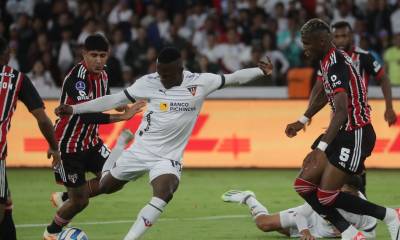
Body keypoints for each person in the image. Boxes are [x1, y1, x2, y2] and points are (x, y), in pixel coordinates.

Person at [55, 46, 273, 240]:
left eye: (167, 75)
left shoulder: (200, 82)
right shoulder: (148, 83)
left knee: (165, 191)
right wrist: (75, 108)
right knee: (106, 186)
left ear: (180, 69)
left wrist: (260, 71)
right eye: (159, 73)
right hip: (141, 150)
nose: (162, 78)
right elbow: (115, 100)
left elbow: (234, 78)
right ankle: (118, 148)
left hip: (168, 157)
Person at [284, 18, 400, 240]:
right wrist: (303, 119)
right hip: (342, 132)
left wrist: (321, 148)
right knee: (303, 185)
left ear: (320, 41)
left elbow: (341, 111)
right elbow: (327, 95)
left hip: (355, 132)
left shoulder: (336, 63)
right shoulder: (328, 59)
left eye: (307, 43)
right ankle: (350, 233)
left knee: (326, 195)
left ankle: (389, 216)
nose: (304, 48)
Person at [43, 34, 145, 240]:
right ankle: (51, 233)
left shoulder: (104, 74)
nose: (99, 60)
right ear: (84, 54)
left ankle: (65, 197)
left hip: (91, 142)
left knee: (117, 176)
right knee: (80, 202)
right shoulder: (76, 79)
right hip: (68, 146)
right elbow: (88, 115)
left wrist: (122, 105)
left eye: (103, 55)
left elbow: (104, 99)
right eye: (94, 55)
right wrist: (122, 116)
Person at [0, 37, 61, 240]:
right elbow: (42, 119)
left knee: (6, 204)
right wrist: (54, 146)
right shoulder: (16, 78)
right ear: (7, 54)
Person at [331, 20, 397, 194]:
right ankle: (349, 198)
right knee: (344, 160)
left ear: (351, 36)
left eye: (344, 35)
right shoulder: (329, 59)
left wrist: (389, 107)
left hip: (357, 117)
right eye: (336, 36)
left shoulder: (364, 57)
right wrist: (308, 113)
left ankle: (358, 198)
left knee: (352, 160)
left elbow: (383, 78)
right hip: (337, 116)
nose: (341, 40)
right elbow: (319, 87)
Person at [222, 176, 377, 239]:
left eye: (347, 192)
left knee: (286, 232)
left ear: (356, 192)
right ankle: (248, 197)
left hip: (323, 232)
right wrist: (305, 232)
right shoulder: (324, 194)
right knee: (264, 224)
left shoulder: (364, 211)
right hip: (311, 217)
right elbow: (300, 215)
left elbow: (370, 233)